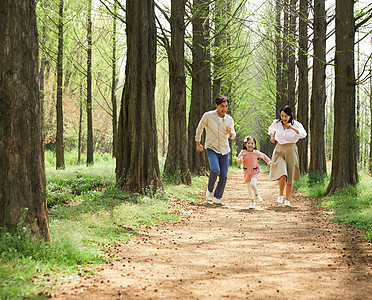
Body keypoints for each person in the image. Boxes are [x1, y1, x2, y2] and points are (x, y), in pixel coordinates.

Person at [195, 95, 236, 205]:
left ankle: (218, 197)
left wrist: (230, 132)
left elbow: (233, 136)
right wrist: (198, 142)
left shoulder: (229, 119)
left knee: (224, 175)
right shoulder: (208, 116)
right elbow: (200, 128)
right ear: (216, 106)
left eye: (226, 106)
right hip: (212, 148)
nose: (225, 109)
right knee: (215, 170)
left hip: (224, 150)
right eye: (222, 106)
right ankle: (209, 190)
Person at [268, 105, 307, 207]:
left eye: (286, 116)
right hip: (279, 149)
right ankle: (280, 194)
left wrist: (292, 128)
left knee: (289, 175)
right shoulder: (276, 123)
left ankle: (287, 199)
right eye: (282, 116)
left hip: (291, 149)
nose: (284, 118)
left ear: (290, 116)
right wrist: (272, 137)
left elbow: (303, 134)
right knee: (282, 173)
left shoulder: (297, 124)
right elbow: (270, 129)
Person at [237, 136, 271, 209]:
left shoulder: (256, 153)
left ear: (255, 145)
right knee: (249, 187)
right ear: (245, 144)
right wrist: (243, 157)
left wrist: (269, 162)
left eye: (252, 143)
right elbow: (239, 162)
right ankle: (252, 201)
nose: (250, 145)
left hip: (255, 171)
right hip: (246, 172)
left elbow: (264, 156)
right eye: (248, 143)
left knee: (253, 184)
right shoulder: (243, 152)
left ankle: (257, 195)